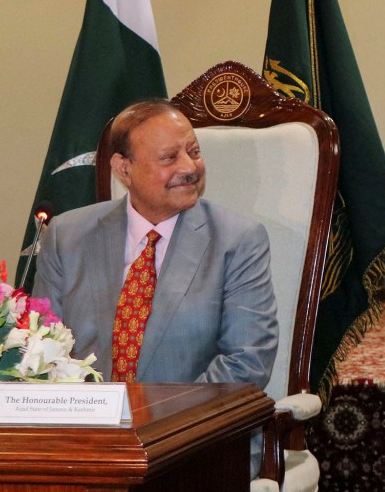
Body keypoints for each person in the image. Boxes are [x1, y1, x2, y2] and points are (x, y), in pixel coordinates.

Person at [33, 98, 278, 474]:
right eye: (169, 158)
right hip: (84, 447)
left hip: (197, 446)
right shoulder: (66, 236)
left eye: (193, 152)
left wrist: (156, 431)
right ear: (123, 169)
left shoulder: (237, 240)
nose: (189, 167)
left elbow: (245, 363)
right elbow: (41, 350)